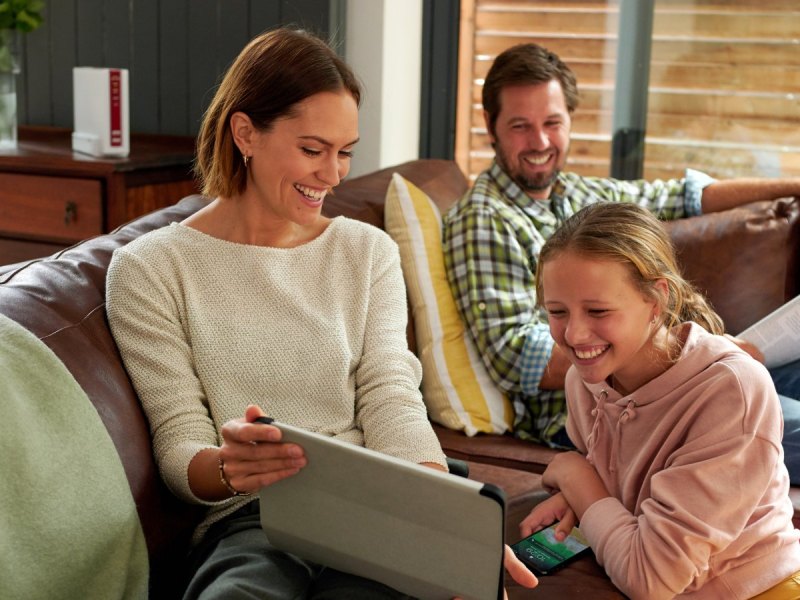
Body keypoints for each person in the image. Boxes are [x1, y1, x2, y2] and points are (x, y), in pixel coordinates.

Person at [105, 28, 513, 600]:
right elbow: (178, 442)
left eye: (345, 152)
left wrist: (443, 520)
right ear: (245, 133)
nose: (333, 174)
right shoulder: (149, 270)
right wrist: (226, 467)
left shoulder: (367, 252)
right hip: (253, 519)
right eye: (312, 149)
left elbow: (390, 393)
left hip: (374, 502)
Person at [441, 42, 800, 477]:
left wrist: (795, 186)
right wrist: (680, 358)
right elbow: (519, 359)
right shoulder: (484, 219)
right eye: (520, 126)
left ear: (571, 120)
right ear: (490, 126)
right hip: (606, 408)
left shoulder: (581, 194)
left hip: (679, 371)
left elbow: (685, 196)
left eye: (552, 123)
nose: (539, 142)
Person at [511, 201, 800, 598]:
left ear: (656, 300)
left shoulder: (730, 391)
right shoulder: (587, 376)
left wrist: (573, 473)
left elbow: (650, 580)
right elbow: (621, 486)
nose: (574, 336)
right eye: (557, 311)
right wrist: (578, 497)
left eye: (598, 310)